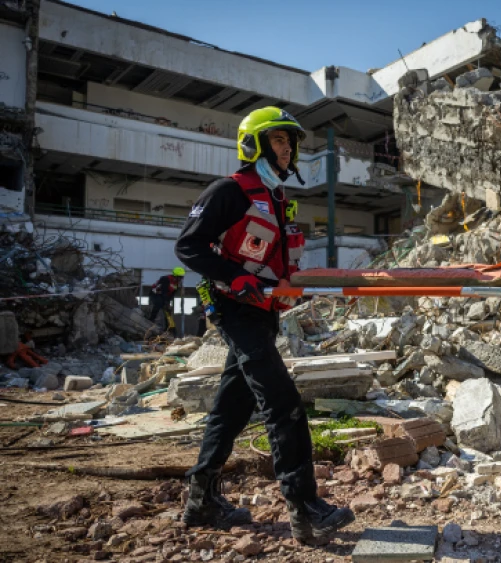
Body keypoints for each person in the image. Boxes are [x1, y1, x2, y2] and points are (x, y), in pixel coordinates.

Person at [174, 107, 354, 542]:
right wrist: (233, 276)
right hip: (235, 311)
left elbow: (273, 260)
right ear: (253, 145)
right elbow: (188, 246)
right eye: (278, 140)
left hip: (264, 311)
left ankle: (200, 501)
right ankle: (305, 508)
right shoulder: (228, 191)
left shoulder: (275, 199)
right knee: (283, 403)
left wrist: (290, 285)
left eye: (289, 142)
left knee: (231, 407)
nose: (287, 148)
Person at [147, 267, 184, 336]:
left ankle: (169, 328)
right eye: (180, 277)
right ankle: (151, 319)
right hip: (155, 294)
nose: (181, 279)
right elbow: (164, 291)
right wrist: (166, 303)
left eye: (182, 277)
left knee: (168, 311)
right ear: (175, 276)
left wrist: (168, 303)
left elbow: (171, 294)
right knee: (159, 303)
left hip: (164, 296)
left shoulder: (177, 284)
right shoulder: (166, 279)